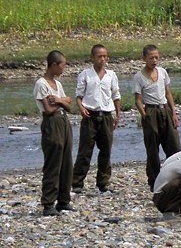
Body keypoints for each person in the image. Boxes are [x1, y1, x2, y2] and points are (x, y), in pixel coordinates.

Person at [72, 44, 121, 193]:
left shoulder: (111, 75)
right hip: (90, 115)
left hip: (106, 115)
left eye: (105, 56)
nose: (102, 59)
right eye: (99, 56)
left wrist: (117, 114)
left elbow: (116, 95)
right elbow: (79, 95)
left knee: (106, 150)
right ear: (92, 57)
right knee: (85, 150)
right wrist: (81, 108)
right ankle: (77, 182)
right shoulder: (86, 74)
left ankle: (103, 182)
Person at [134, 44, 181, 191]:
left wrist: (173, 112)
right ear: (144, 59)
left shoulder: (162, 72)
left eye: (156, 57)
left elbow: (168, 93)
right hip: (151, 111)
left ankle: (177, 177)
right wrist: (145, 116)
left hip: (164, 109)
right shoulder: (139, 77)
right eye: (151, 58)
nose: (154, 60)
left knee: (174, 146)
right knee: (153, 150)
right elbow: (137, 99)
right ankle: (154, 181)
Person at [33, 50, 74, 216]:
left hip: (64, 122)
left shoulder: (58, 84)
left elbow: (70, 107)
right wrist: (62, 101)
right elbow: (49, 109)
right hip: (52, 123)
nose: (63, 69)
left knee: (66, 162)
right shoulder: (41, 84)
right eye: (62, 65)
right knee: (53, 163)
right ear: (54, 65)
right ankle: (48, 202)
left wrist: (59, 100)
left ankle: (64, 200)